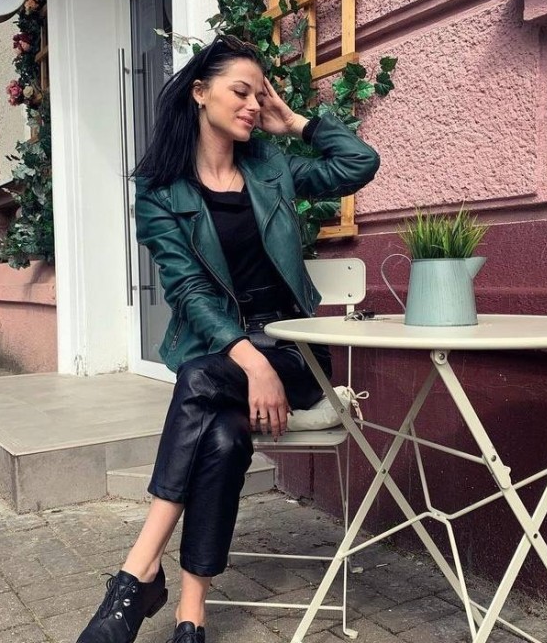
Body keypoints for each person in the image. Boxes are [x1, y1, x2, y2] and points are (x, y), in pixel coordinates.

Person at [76, 35, 380, 643]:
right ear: (199, 93)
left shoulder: (272, 167)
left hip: (293, 351)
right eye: (241, 92)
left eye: (259, 95)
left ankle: (136, 575)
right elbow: (188, 289)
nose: (252, 105)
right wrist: (250, 361)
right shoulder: (159, 189)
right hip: (227, 353)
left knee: (197, 381)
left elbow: (359, 165)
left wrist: (296, 122)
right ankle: (191, 615)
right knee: (220, 436)